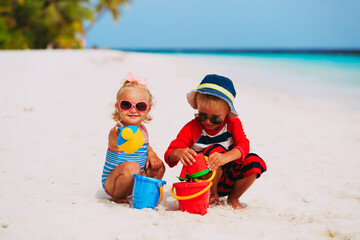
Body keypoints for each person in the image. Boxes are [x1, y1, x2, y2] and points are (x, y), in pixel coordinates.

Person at [164, 74, 267, 209]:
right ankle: (212, 195)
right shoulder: (192, 127)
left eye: (215, 118)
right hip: (200, 179)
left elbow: (244, 145)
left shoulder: (232, 124)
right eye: (202, 115)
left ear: (227, 112)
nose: (207, 121)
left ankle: (233, 198)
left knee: (254, 161)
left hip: (226, 179)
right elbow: (169, 153)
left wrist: (225, 157)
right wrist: (179, 152)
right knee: (214, 150)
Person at [102, 72, 165, 203]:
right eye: (126, 105)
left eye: (140, 106)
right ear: (118, 108)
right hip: (114, 182)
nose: (133, 110)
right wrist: (118, 134)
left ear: (148, 109)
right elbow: (114, 141)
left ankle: (148, 194)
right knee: (132, 167)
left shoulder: (143, 130)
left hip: (135, 179)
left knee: (159, 167)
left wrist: (152, 154)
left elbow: (145, 146)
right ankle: (118, 197)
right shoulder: (118, 131)